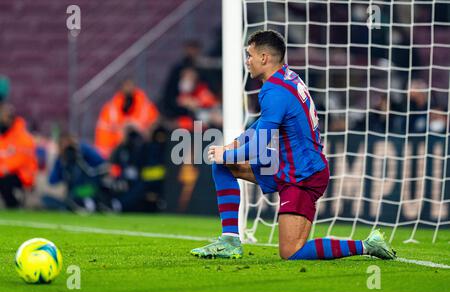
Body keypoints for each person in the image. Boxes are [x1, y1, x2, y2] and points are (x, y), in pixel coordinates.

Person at [191, 30, 397, 260]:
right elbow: (264, 122)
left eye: (249, 55)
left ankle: (367, 245)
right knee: (223, 167)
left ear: (264, 57)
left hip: (303, 175)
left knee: (291, 252)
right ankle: (230, 240)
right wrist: (236, 144)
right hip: (285, 165)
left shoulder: (274, 92)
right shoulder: (288, 78)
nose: (247, 61)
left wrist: (226, 153)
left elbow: (259, 146)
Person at [94, 79, 159, 159]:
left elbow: (155, 127)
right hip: (117, 154)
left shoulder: (145, 107)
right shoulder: (111, 110)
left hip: (142, 151)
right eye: (126, 86)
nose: (128, 89)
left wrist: (139, 129)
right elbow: (103, 138)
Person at [46, 134, 110, 213]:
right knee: (48, 199)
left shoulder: (83, 151)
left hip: (89, 188)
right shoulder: (62, 160)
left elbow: (102, 165)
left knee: (78, 196)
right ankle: (85, 204)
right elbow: (52, 180)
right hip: (73, 191)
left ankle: (90, 204)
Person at [0, 103, 38, 208]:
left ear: (10, 119)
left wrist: (3, 169)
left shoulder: (23, 137)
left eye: (3, 118)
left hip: (23, 176)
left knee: (5, 182)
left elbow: (18, 161)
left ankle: (14, 205)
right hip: (6, 173)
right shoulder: (4, 137)